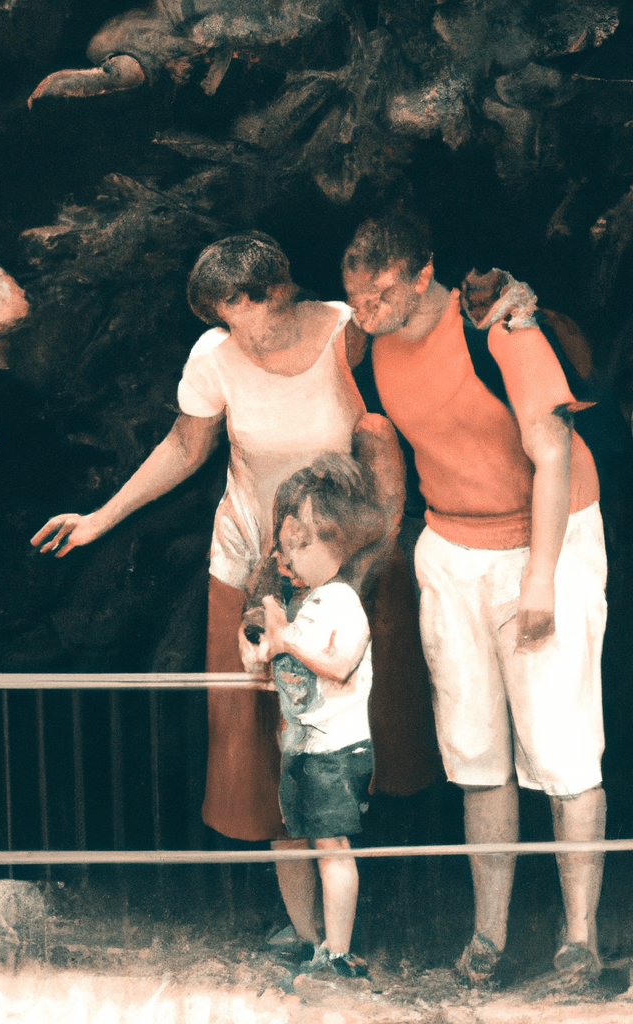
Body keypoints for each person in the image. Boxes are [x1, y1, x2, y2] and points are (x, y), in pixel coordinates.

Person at [32, 232, 405, 946]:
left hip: (341, 576)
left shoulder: (344, 332)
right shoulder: (214, 357)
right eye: (221, 316)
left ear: (278, 290)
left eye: (244, 310)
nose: (237, 332)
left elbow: (392, 416)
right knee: (262, 746)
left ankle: (357, 925)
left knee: (351, 739)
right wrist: (98, 519)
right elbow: (185, 447)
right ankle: (304, 927)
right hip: (250, 569)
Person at [341, 211, 608, 989]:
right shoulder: (366, 346)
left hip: (545, 537)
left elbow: (552, 452)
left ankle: (580, 939)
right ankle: (487, 937)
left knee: (559, 747)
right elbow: (388, 461)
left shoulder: (499, 327)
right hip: (452, 549)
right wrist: (376, 571)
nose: (367, 309)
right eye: (355, 296)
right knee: (475, 752)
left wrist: (540, 579)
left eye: (380, 292)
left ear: (423, 275)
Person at [240, 452, 381, 978]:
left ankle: (338, 955)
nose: (287, 555)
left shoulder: (343, 601)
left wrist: (286, 642)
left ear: (333, 542)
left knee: (331, 847)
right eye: (286, 544)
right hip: (300, 746)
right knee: (302, 840)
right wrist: (261, 639)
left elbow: (340, 666)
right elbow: (265, 666)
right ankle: (315, 942)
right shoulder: (305, 604)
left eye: (301, 543)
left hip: (335, 750)